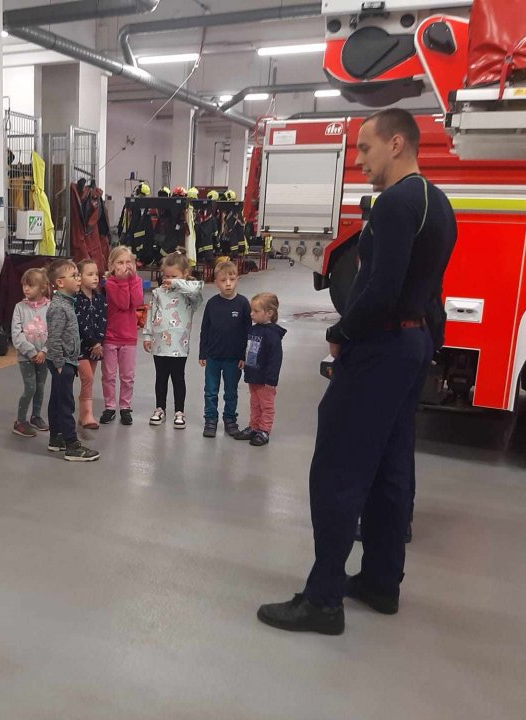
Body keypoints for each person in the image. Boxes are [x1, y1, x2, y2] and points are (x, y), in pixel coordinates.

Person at [257, 108, 457, 635]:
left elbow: (379, 290)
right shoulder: (438, 203)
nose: (360, 160)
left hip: (381, 347)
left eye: (365, 148)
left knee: (337, 470)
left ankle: (323, 599)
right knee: (391, 465)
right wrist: (424, 343)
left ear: (397, 144)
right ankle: (381, 581)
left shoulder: (394, 204)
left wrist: (341, 333)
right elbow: (429, 288)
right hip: (413, 343)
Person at [45, 259, 100, 461]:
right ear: (60, 282)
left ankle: (56, 438)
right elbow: (54, 338)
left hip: (67, 359)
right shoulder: (59, 307)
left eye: (78, 275)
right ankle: (72, 445)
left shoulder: (68, 303)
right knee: (66, 403)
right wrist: (60, 363)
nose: (78, 279)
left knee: (57, 399)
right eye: (74, 276)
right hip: (62, 361)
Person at [142, 251, 203, 429]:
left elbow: (197, 289)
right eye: (166, 276)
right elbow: (151, 314)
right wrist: (147, 335)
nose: (168, 280)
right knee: (161, 377)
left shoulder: (189, 294)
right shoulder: (158, 293)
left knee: (178, 378)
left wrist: (177, 283)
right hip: (159, 344)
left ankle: (179, 411)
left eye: (173, 276)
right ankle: (160, 408)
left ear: (185, 274)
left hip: (179, 345)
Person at [198, 261, 251, 438]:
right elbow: (205, 329)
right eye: (223, 280)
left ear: (237, 279)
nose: (228, 284)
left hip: (234, 359)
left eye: (232, 279)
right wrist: (202, 353)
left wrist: (244, 356)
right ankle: (210, 420)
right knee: (210, 391)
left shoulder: (243, 304)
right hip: (213, 357)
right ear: (216, 283)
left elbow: (247, 332)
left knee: (231, 391)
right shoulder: (212, 304)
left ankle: (230, 420)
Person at [234, 292, 285, 446]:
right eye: (252, 310)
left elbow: (275, 359)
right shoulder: (253, 329)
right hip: (253, 374)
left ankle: (264, 430)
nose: (251, 314)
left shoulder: (273, 335)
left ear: (269, 313)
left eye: (256, 311)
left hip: (265, 379)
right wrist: (244, 360)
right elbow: (249, 348)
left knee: (266, 405)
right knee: (254, 403)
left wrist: (271, 379)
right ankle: (254, 426)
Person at [101, 246, 144, 426]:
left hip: (129, 338)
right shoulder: (110, 283)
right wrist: (122, 281)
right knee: (109, 375)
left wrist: (132, 279)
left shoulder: (136, 280)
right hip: (111, 337)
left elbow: (137, 301)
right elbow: (123, 303)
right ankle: (110, 406)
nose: (125, 266)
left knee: (127, 376)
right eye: (120, 262)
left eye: (128, 262)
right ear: (112, 265)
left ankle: (125, 407)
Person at [11, 268, 51, 438]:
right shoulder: (19, 308)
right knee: (30, 388)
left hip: (44, 357)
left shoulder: (50, 307)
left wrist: (44, 351)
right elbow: (16, 334)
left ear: (42, 287)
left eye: (31, 285)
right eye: (24, 285)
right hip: (26, 357)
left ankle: (36, 416)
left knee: (40, 388)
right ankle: (20, 421)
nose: (26, 288)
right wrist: (32, 352)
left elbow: (54, 331)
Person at [74, 259, 107, 429]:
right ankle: (87, 414)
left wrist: (99, 342)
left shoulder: (100, 299)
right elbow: (80, 323)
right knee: (87, 377)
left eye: (96, 274)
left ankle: (84, 415)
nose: (95, 278)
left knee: (89, 380)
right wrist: (93, 342)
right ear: (79, 277)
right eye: (90, 274)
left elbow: (103, 321)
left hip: (95, 347)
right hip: (79, 346)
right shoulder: (76, 300)